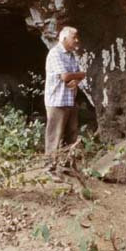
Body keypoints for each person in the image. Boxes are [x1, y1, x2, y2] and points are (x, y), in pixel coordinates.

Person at [44, 26, 86, 166]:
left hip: (70, 100)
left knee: (72, 135)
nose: (77, 40)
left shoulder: (71, 55)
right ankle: (50, 167)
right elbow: (65, 76)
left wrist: (77, 79)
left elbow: (78, 75)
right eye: (74, 37)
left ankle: (67, 166)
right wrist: (80, 75)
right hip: (57, 102)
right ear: (64, 38)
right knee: (54, 137)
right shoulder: (55, 53)